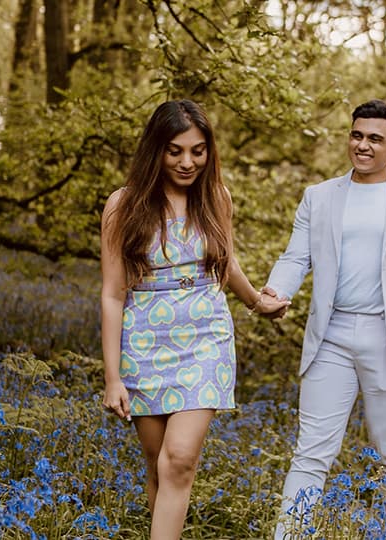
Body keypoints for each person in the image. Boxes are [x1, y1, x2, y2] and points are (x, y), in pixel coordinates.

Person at [262, 99, 386, 538]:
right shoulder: (319, 196)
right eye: (357, 135)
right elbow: (297, 257)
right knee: (311, 453)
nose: (363, 145)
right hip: (329, 337)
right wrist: (275, 292)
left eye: (375, 138)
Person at [100, 99, 288, 540]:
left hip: (206, 338)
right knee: (158, 464)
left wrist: (256, 302)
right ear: (156, 151)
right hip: (143, 342)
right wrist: (112, 377)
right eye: (176, 151)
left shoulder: (216, 197)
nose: (188, 162)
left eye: (198, 151)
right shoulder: (122, 205)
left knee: (180, 458)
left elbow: (226, 263)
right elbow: (112, 294)